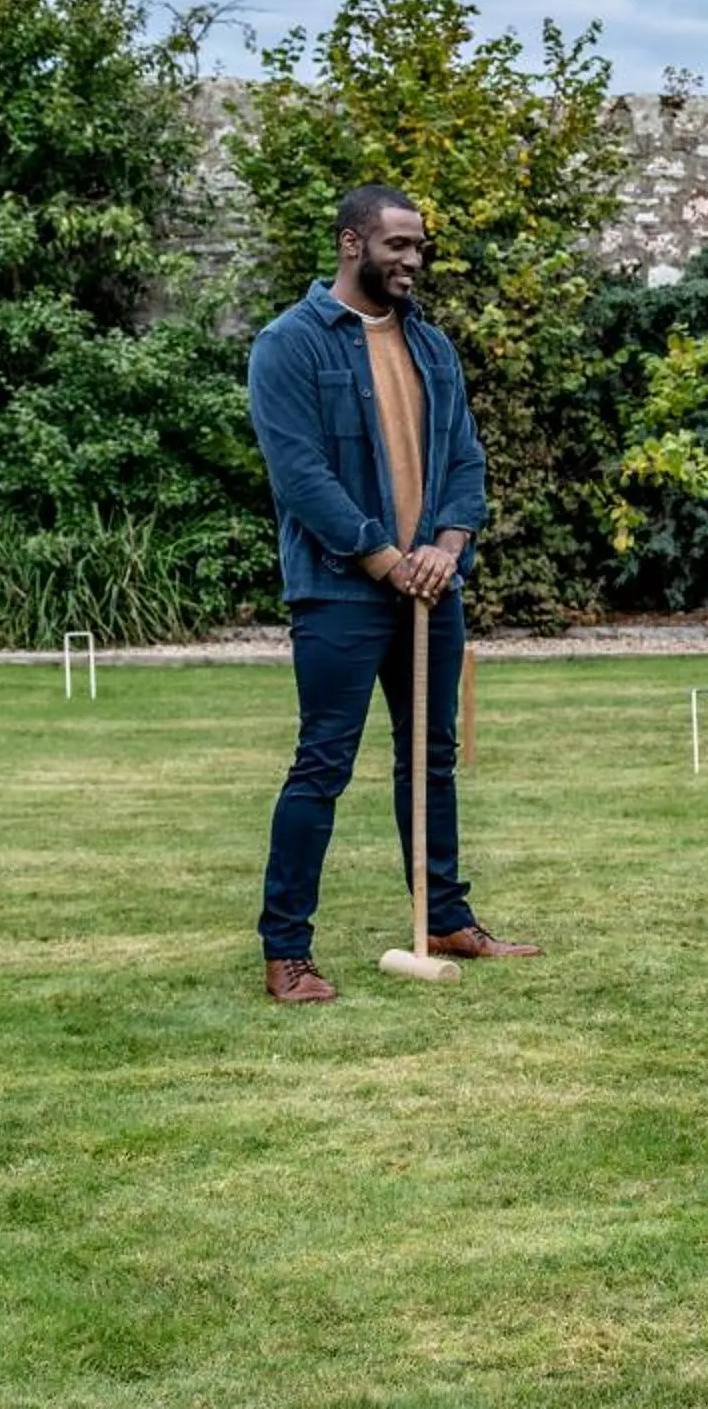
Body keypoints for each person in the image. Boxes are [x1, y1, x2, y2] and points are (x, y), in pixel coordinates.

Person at [245, 183, 539, 1005]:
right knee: (323, 763)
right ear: (351, 244)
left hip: (431, 588)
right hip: (341, 592)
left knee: (431, 759)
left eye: (419, 246)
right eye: (398, 245)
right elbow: (300, 473)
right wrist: (384, 558)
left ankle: (444, 916)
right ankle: (287, 950)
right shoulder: (290, 345)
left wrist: (445, 548)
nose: (413, 259)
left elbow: (466, 464)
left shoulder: (433, 348)